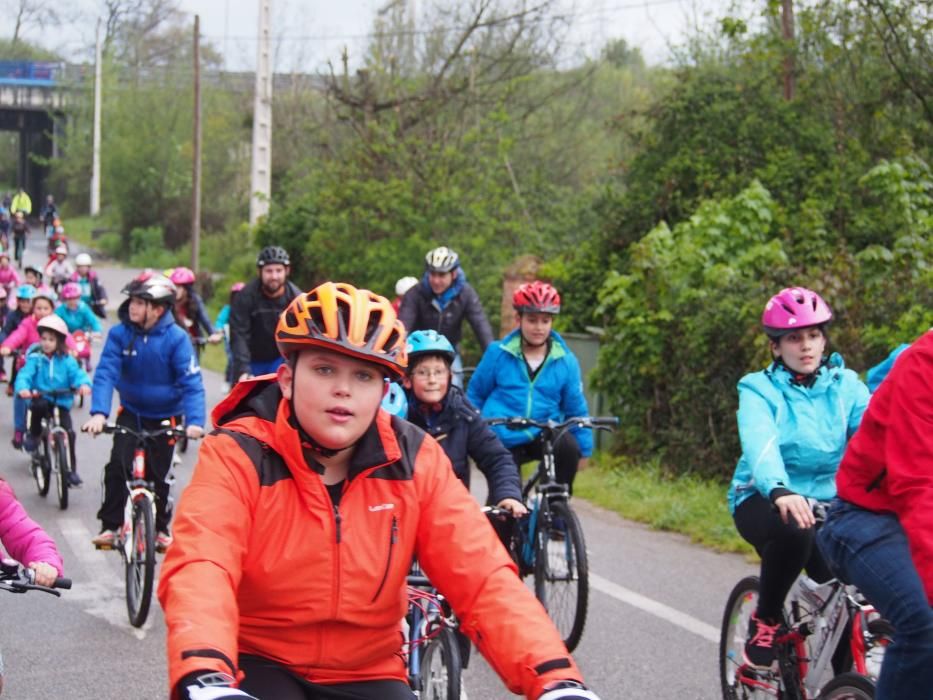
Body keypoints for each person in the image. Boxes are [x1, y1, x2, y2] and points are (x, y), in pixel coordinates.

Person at [157, 281, 601, 700]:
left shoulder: (415, 457)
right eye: (324, 368)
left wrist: (554, 678)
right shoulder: (239, 451)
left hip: (366, 670)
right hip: (259, 659)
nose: (343, 390)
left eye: (364, 376)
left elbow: (482, 577)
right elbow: (202, 562)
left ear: (386, 391)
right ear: (287, 379)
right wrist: (205, 670)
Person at [726, 286, 870, 670]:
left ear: (824, 339)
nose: (806, 346)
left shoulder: (847, 387)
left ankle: (846, 689)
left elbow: (875, 438)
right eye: (793, 337)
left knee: (845, 601)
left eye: (813, 335)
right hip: (763, 496)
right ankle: (767, 619)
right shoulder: (758, 388)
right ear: (776, 347)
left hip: (829, 503)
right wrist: (779, 489)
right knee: (795, 531)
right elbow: (762, 443)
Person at [816, 330, 933, 700]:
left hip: (919, 517)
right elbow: (917, 483)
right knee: (925, 626)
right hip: (866, 516)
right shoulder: (922, 366)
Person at [82, 273, 206, 552]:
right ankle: (111, 526)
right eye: (132, 301)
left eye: (140, 302)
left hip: (167, 416)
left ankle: (160, 528)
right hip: (132, 412)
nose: (132, 307)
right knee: (117, 466)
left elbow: (192, 383)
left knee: (161, 475)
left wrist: (195, 423)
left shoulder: (177, 339)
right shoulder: (120, 334)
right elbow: (105, 374)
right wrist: (99, 413)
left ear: (158, 308)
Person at [468, 280, 593, 495]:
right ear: (519, 319)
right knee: (506, 499)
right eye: (532, 320)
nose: (539, 327)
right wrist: (472, 431)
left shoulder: (566, 361)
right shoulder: (498, 353)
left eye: (545, 321)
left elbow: (575, 409)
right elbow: (475, 395)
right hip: (502, 433)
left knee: (567, 448)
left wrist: (585, 450)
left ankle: (556, 513)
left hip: (542, 430)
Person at [403, 329, 525, 514]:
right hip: (405, 512)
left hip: (450, 515)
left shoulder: (463, 413)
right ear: (407, 379)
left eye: (439, 372)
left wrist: (508, 495)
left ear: (450, 376)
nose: (432, 380)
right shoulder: (396, 414)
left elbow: (497, 458)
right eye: (422, 372)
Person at [398, 246, 494, 387]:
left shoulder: (465, 293)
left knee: (454, 384)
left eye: (441, 275)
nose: (436, 280)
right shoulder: (415, 293)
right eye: (433, 274)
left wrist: (493, 357)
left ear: (453, 274)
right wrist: (396, 347)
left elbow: (480, 325)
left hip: (449, 352)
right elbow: (403, 325)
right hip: (418, 350)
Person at [15, 315, 91, 485]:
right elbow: (25, 375)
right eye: (43, 339)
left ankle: (71, 470)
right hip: (41, 397)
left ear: (60, 341)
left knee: (69, 433)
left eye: (51, 339)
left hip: (62, 400)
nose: (47, 343)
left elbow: (77, 374)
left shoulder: (67, 360)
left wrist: (83, 384)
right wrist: (24, 388)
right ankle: (34, 435)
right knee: (37, 408)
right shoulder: (36, 359)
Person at [1, 287, 71, 449]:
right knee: (21, 396)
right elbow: (16, 336)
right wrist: (7, 346)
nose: (42, 311)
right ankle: (19, 429)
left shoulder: (57, 323)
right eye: (38, 308)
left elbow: (67, 339)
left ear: (52, 309)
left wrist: (73, 350)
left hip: (50, 370)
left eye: (45, 308)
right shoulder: (27, 323)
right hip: (29, 367)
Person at [229, 245, 302, 382]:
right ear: (260, 272)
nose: (274, 276)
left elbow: (302, 337)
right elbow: (239, 335)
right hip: (251, 359)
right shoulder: (245, 297)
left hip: (279, 359)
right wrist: (243, 369)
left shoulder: (296, 299)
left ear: (287, 271)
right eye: (269, 271)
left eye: (278, 271)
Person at [169, 266, 223, 352]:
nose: (176, 290)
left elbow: (205, 320)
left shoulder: (195, 301)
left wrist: (214, 334)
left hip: (192, 345)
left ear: (187, 289)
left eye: (179, 287)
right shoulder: (168, 302)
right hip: (172, 345)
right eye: (174, 286)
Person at [215, 281, 244, 390]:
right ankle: (228, 381)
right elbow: (220, 321)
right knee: (232, 360)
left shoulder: (247, 309)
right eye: (236, 295)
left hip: (244, 340)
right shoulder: (228, 309)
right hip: (230, 339)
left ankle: (238, 384)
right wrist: (220, 330)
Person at [70, 252, 108, 319]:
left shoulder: (93, 278)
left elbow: (100, 289)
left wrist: (103, 298)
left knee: (94, 321)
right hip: (76, 306)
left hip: (91, 305)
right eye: (80, 266)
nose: (83, 269)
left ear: (89, 267)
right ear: (77, 267)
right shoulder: (72, 279)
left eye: (85, 266)